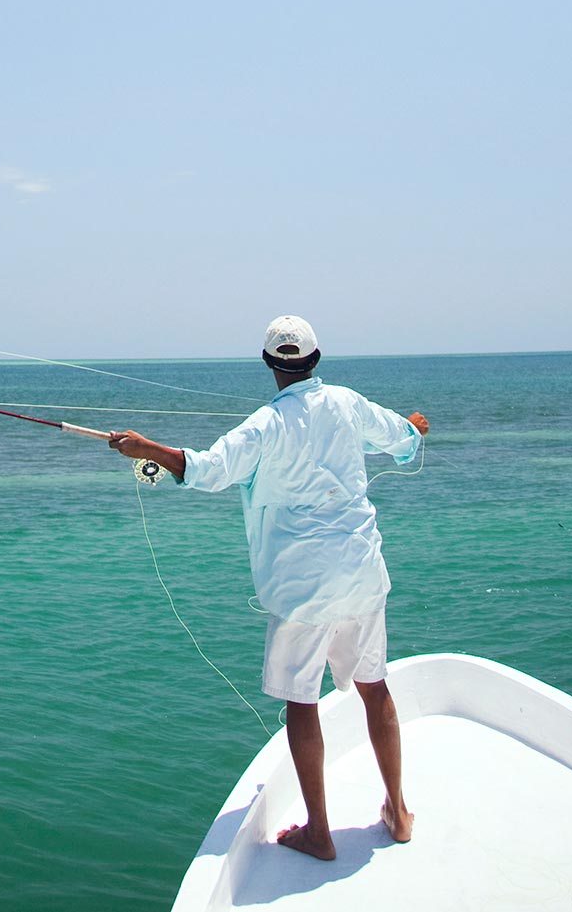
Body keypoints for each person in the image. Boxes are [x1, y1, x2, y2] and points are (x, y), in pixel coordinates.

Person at [107, 316, 428, 861]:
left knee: (303, 703)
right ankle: (398, 813)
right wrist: (414, 429)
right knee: (376, 688)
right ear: (317, 359)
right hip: (360, 572)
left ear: (267, 364)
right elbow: (402, 439)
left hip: (303, 589)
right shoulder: (349, 403)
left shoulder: (264, 424)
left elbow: (206, 470)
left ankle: (319, 833)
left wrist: (145, 447)